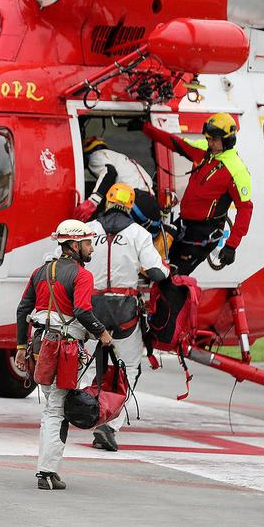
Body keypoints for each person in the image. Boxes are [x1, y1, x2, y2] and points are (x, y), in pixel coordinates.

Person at [14, 219, 113, 490]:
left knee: (52, 406)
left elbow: (23, 310)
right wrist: (103, 333)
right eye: (88, 243)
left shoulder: (40, 272)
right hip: (63, 350)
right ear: (74, 245)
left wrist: (21, 348)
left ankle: (48, 470)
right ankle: (46, 472)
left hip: (39, 346)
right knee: (56, 410)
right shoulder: (82, 275)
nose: (91, 248)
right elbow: (82, 310)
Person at [86, 183, 170, 451]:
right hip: (124, 311)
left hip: (91, 309)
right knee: (129, 367)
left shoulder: (89, 228)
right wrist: (165, 269)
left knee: (87, 365)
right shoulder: (138, 233)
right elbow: (157, 272)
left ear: (107, 202)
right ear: (130, 205)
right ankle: (109, 425)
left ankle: (78, 413)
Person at [141, 112, 253, 273]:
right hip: (184, 224)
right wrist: (146, 128)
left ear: (228, 140)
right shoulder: (203, 150)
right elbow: (174, 142)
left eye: (214, 139)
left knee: (174, 277)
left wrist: (231, 245)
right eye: (208, 138)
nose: (210, 143)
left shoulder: (237, 170)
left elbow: (245, 209)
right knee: (155, 266)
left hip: (204, 233)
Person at [76, 135, 160, 226]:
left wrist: (93, 202)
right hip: (151, 204)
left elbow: (110, 172)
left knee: (104, 228)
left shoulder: (95, 155)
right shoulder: (120, 158)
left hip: (133, 201)